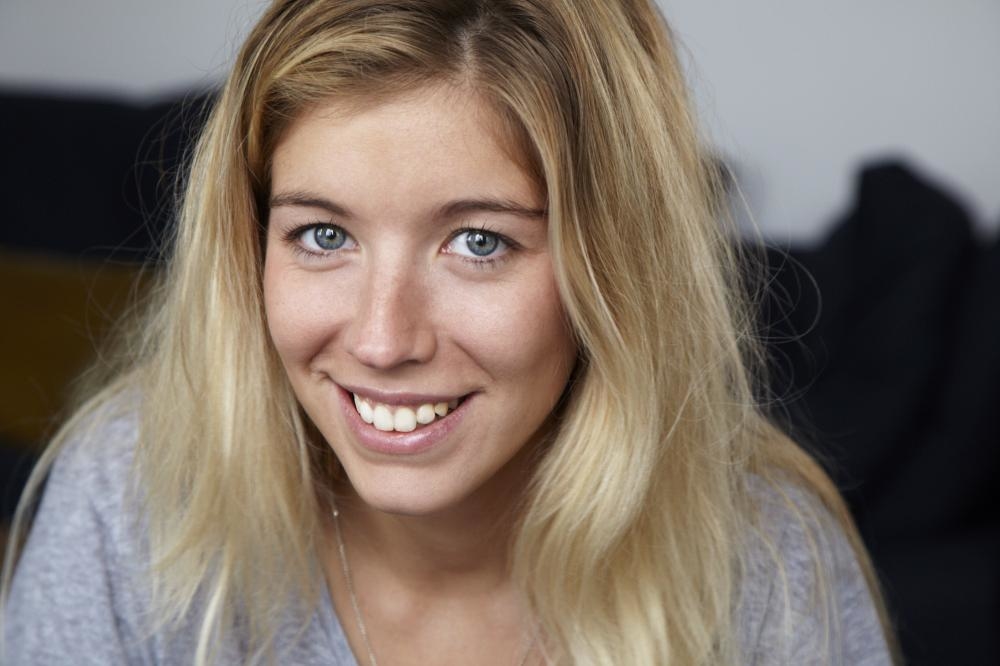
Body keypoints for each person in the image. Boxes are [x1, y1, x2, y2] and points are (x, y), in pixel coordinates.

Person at [2, 1, 898, 664]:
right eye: (324, 236)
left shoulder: (761, 560)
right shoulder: (132, 496)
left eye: (478, 243)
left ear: (616, 270)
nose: (383, 340)